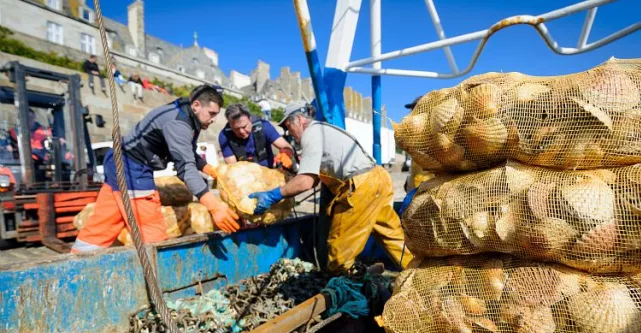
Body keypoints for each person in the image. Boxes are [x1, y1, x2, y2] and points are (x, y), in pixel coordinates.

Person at [249, 102, 414, 274]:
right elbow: (313, 180)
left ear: (299, 119)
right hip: (378, 178)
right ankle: (420, 273)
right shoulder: (325, 130)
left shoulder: (311, 133)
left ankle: (346, 293)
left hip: (361, 186)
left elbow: (305, 181)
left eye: (289, 127)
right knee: (392, 236)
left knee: (339, 256)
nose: (289, 133)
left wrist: (274, 195)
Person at [71, 85, 240, 253]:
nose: (213, 119)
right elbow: (185, 168)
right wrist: (214, 205)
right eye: (211, 114)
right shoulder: (178, 123)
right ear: (196, 105)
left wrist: (210, 170)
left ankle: (79, 262)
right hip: (131, 167)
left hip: (118, 162)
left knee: (106, 220)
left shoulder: (186, 115)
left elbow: (187, 153)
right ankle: (154, 274)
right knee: (152, 231)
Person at [218, 103, 294, 169]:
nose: (241, 131)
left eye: (244, 127)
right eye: (236, 128)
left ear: (250, 119)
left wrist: (285, 153)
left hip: (268, 171)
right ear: (230, 124)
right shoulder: (224, 136)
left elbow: (288, 147)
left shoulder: (264, 126)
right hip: (243, 175)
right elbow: (233, 166)